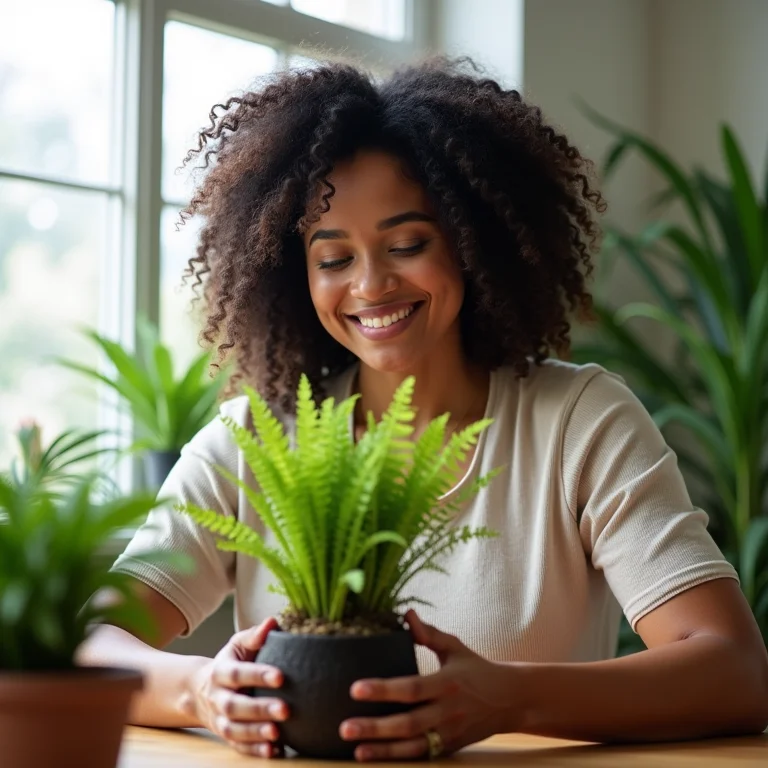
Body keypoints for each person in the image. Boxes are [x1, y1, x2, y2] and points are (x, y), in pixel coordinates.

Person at [78, 57, 768, 761]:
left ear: (473, 242)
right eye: (333, 258)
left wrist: (508, 697)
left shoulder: (579, 423)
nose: (371, 285)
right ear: (295, 274)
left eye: (407, 244)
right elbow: (93, 647)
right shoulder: (254, 440)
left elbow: (736, 670)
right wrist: (202, 691)